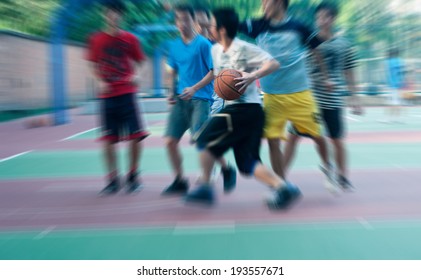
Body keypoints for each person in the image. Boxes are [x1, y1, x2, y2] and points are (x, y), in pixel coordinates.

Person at [185, 8, 301, 209]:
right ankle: (283, 188)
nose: (209, 28)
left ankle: (205, 188)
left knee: (202, 139)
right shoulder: (215, 50)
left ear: (221, 29)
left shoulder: (244, 48)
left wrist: (251, 76)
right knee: (247, 163)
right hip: (243, 112)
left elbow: (273, 64)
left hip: (244, 109)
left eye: (212, 24)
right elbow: (219, 75)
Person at [238, 0, 331, 183]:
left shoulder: (298, 27)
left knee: (318, 136)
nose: (263, 5)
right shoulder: (256, 25)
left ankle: (328, 166)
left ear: (279, 2)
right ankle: (282, 186)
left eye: (266, 1)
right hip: (272, 96)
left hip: (300, 93)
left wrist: (326, 76)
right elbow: (228, 25)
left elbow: (316, 51)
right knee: (273, 140)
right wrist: (205, 23)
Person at [283, 2, 362, 192]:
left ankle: (342, 177)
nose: (321, 20)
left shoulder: (344, 44)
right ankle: (280, 177)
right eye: (319, 17)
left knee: (337, 139)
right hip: (308, 99)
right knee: (293, 137)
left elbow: (349, 71)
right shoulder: (307, 41)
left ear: (333, 18)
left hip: (332, 100)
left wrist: (354, 97)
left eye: (326, 17)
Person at [86, 1, 149, 195]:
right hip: (107, 96)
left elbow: (142, 62)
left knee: (137, 137)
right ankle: (113, 179)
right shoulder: (96, 39)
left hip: (127, 93)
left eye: (117, 13)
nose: (113, 16)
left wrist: (137, 75)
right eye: (110, 13)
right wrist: (98, 80)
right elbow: (91, 64)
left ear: (121, 16)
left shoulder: (130, 39)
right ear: (104, 15)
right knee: (109, 139)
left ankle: (132, 176)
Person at [161, 5, 215, 195]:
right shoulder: (174, 46)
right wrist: (170, 90)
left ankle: (207, 184)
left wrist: (195, 88)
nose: (182, 23)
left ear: (194, 21)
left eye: (186, 19)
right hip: (180, 100)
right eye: (179, 20)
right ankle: (179, 180)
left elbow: (213, 72)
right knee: (169, 141)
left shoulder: (204, 44)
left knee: (200, 141)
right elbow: (172, 70)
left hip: (200, 99)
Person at [194, 7, 237, 190]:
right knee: (202, 137)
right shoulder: (192, 43)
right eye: (197, 20)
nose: (200, 24)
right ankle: (222, 168)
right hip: (197, 97)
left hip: (216, 96)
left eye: (204, 20)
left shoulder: (215, 41)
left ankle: (213, 170)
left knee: (205, 136)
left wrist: (203, 23)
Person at [384, 48, 406, 122]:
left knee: (392, 102)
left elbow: (388, 73)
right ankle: (397, 118)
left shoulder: (388, 62)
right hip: (399, 84)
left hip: (391, 84)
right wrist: (401, 81)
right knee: (397, 101)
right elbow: (402, 72)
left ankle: (389, 118)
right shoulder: (400, 61)